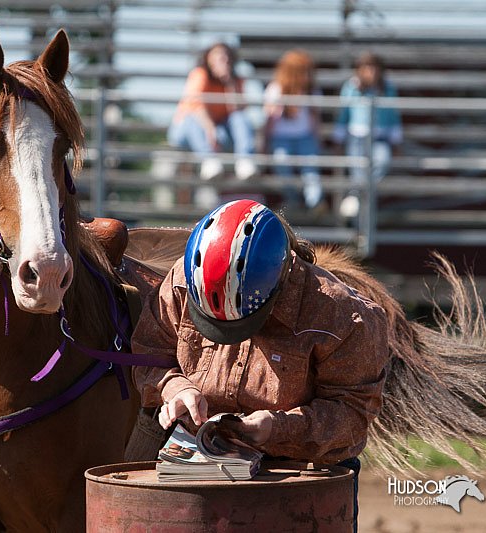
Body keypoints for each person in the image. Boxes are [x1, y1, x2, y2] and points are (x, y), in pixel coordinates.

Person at [131, 199, 390, 531]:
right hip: (185, 452)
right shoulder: (183, 280)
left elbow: (353, 416)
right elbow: (149, 350)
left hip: (297, 469)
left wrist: (277, 428)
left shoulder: (344, 318)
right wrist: (174, 387)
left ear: (278, 284)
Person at [168, 42, 258, 184]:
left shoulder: (236, 80)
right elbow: (195, 105)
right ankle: (209, 160)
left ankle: (245, 161)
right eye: (218, 54)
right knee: (193, 119)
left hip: (216, 133)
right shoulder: (200, 73)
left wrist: (229, 83)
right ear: (208, 58)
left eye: (226, 55)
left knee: (239, 117)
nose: (223, 58)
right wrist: (210, 129)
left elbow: (239, 110)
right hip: (188, 130)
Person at [333, 52, 403, 218]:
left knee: (382, 162)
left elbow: (394, 115)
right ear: (360, 70)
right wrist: (338, 139)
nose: (370, 72)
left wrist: (396, 141)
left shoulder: (388, 88)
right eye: (366, 68)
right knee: (357, 169)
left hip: (380, 139)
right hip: (357, 138)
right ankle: (360, 203)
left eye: (374, 68)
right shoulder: (351, 87)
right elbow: (343, 114)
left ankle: (358, 195)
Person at [263, 49, 323, 209]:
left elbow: (315, 119)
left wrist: (317, 139)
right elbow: (269, 120)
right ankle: (293, 200)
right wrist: (265, 142)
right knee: (281, 163)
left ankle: (314, 204)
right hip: (281, 138)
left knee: (311, 167)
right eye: (302, 72)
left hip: (305, 136)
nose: (307, 76)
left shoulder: (311, 91)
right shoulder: (276, 89)